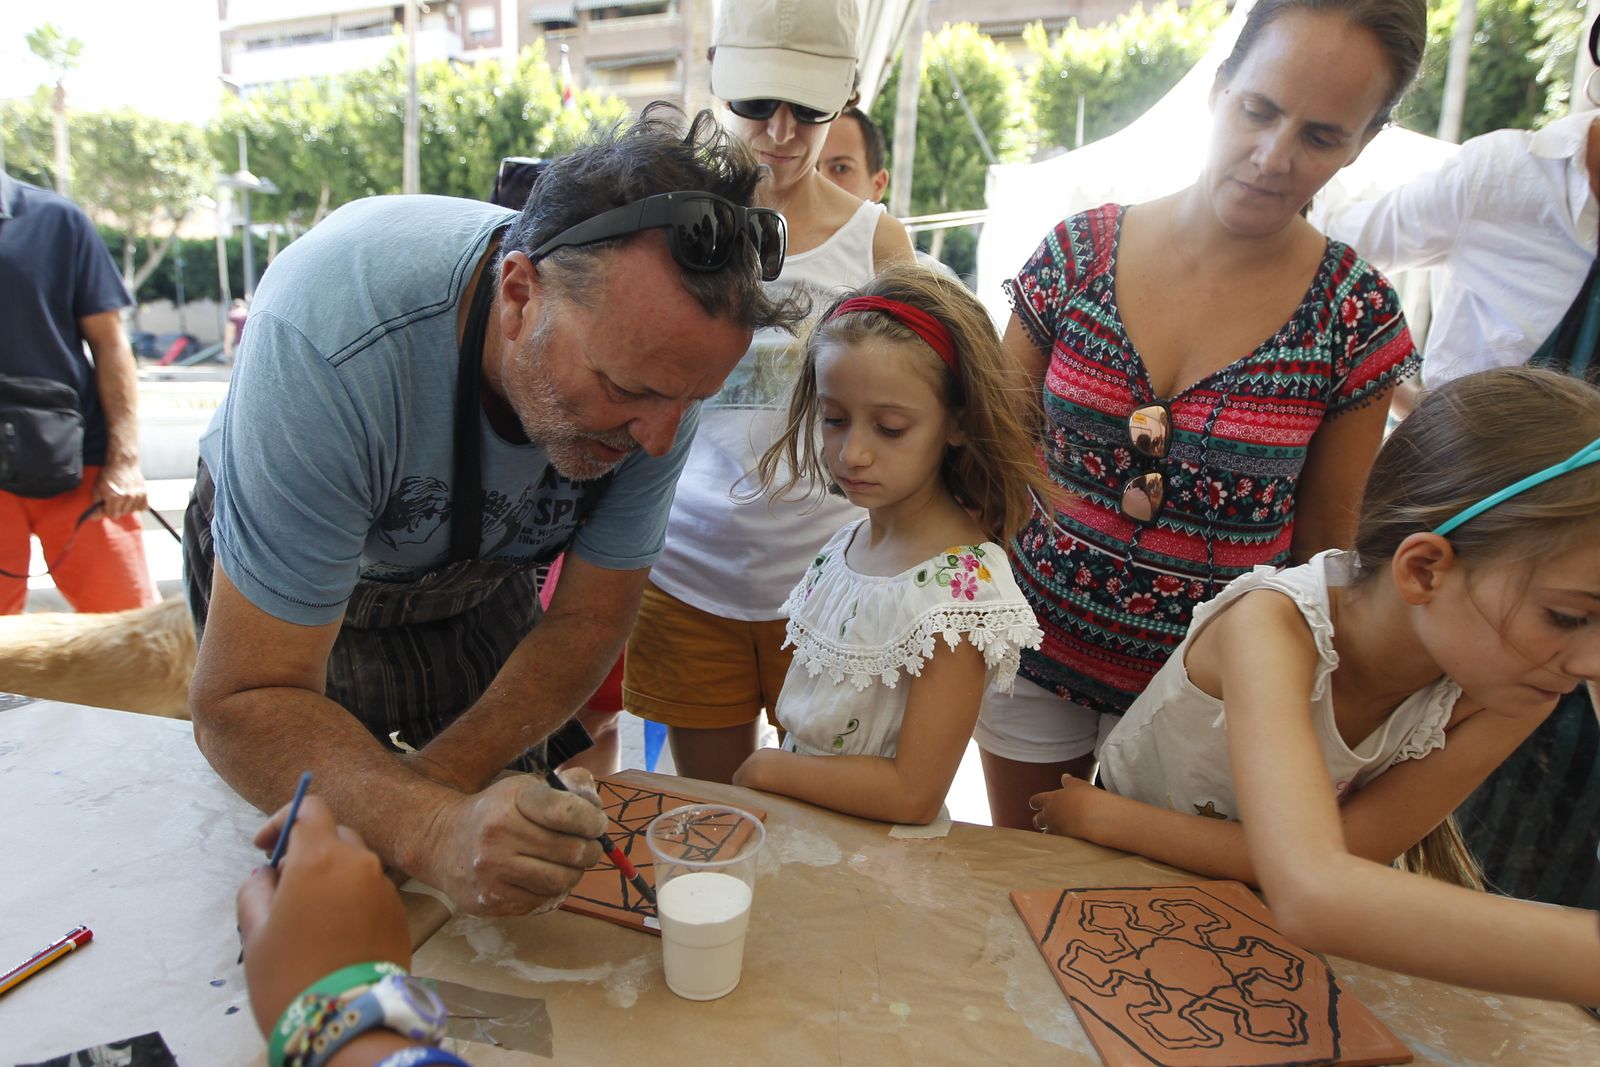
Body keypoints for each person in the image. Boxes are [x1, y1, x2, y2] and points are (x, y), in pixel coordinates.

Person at [185, 106, 798, 918]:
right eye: (628, 390)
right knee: (327, 890)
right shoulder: (333, 341)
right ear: (518, 297)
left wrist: (437, 792)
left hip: (485, 576)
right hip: (321, 594)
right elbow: (244, 699)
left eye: (691, 401)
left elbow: (589, 619)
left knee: (484, 879)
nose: (657, 441)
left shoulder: (661, 371)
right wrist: (426, 824)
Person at [976, 0, 1424, 829]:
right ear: (1218, 87)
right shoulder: (1076, 255)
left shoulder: (1354, 317)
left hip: (1210, 704)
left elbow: (1325, 549)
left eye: (1322, 136)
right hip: (1030, 656)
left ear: (1364, 142)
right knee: (1019, 874)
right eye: (1258, 109)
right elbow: (990, 460)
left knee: (1147, 903)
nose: (1273, 157)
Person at [1031, 366, 1600, 1004]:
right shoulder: (1272, 627)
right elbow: (1314, 888)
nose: (1593, 663)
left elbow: (1347, 858)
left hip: (1203, 882)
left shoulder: (1516, 689)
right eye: (1568, 617)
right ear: (1424, 570)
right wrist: (1105, 823)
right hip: (1124, 881)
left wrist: (1112, 820)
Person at [624, 0, 915, 784]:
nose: (781, 132)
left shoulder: (877, 242)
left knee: (823, 824)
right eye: (756, 102)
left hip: (834, 585)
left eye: (808, 108)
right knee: (710, 814)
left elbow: (919, 413)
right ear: (717, 77)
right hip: (686, 575)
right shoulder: (661, 220)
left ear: (847, 94)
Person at [729, 266, 1048, 823]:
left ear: (958, 422)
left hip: (871, 857)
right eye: (834, 419)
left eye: (891, 428)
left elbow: (913, 794)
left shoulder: (960, 593)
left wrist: (766, 769)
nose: (852, 453)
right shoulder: (848, 543)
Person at [0, 169, 155, 614]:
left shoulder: (56, 219)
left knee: (132, 636)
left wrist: (124, 462)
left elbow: (111, 344)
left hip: (80, 465)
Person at [817, 106, 960, 280]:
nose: (821, 181)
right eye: (811, 170)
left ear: (878, 185)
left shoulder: (929, 278)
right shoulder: (784, 254)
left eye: (841, 168)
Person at [222, 297, 249, 363]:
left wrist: (227, 348)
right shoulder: (249, 314)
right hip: (251, 344)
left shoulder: (234, 316)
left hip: (240, 345)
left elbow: (230, 334)